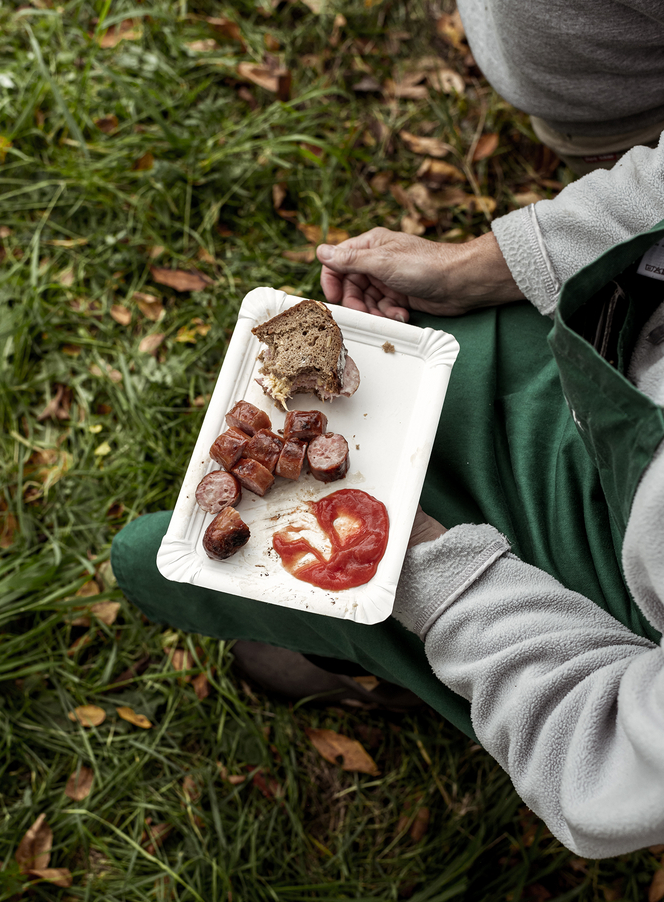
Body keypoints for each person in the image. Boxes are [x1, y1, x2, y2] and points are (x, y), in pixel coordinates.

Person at [112, 3, 664, 857]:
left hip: (624, 577)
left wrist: (423, 572)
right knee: (386, 371)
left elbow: (607, 760)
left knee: (152, 560)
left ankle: (392, 666)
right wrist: (485, 267)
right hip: (626, 353)